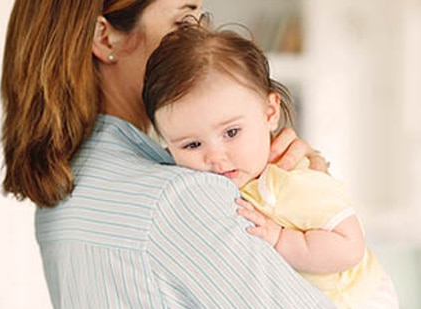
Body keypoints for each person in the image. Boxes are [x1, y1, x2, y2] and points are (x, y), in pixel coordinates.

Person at [0, 0, 334, 308]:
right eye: (183, 21)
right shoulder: (180, 197)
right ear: (105, 38)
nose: (200, 38)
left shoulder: (60, 192)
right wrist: (315, 202)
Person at [142, 23, 400, 308]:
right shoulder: (208, 185)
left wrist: (281, 239)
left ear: (270, 112)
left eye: (231, 133)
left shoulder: (291, 181)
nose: (215, 158)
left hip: (359, 298)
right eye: (192, 145)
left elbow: (350, 246)